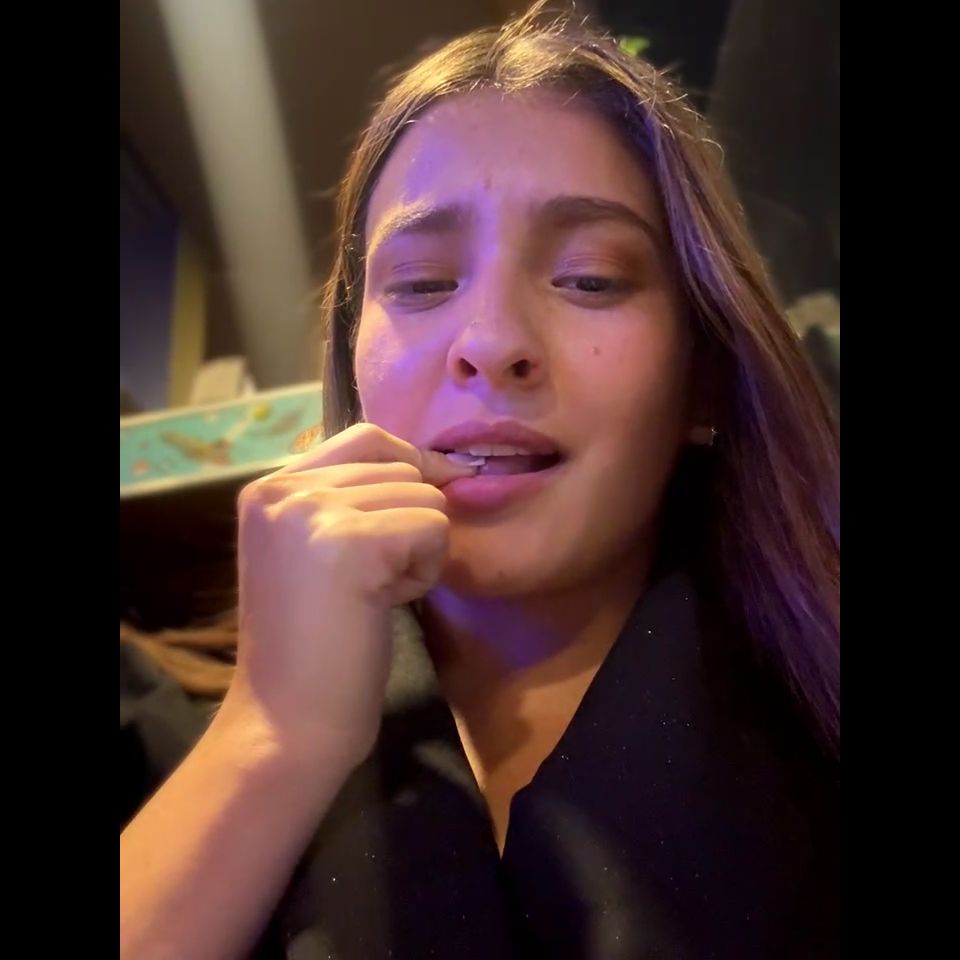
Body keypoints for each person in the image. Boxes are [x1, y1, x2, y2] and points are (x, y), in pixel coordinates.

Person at [120, 4, 839, 957]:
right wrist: (271, 737)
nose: (492, 343)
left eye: (590, 278)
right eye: (421, 284)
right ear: (352, 363)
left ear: (703, 371)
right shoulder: (168, 746)